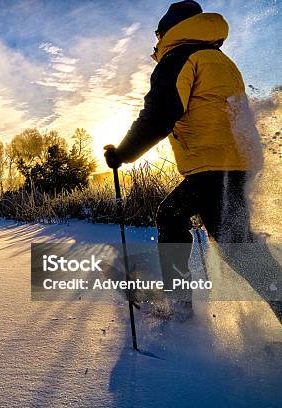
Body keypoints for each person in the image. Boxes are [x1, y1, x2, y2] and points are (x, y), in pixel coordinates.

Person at [104, 0, 280, 321]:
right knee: (179, 218)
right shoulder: (219, 60)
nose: (156, 42)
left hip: (213, 168)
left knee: (238, 248)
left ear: (170, 29)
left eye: (159, 33)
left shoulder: (179, 57)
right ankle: (182, 301)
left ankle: (181, 308)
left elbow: (160, 114)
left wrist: (123, 153)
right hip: (238, 162)